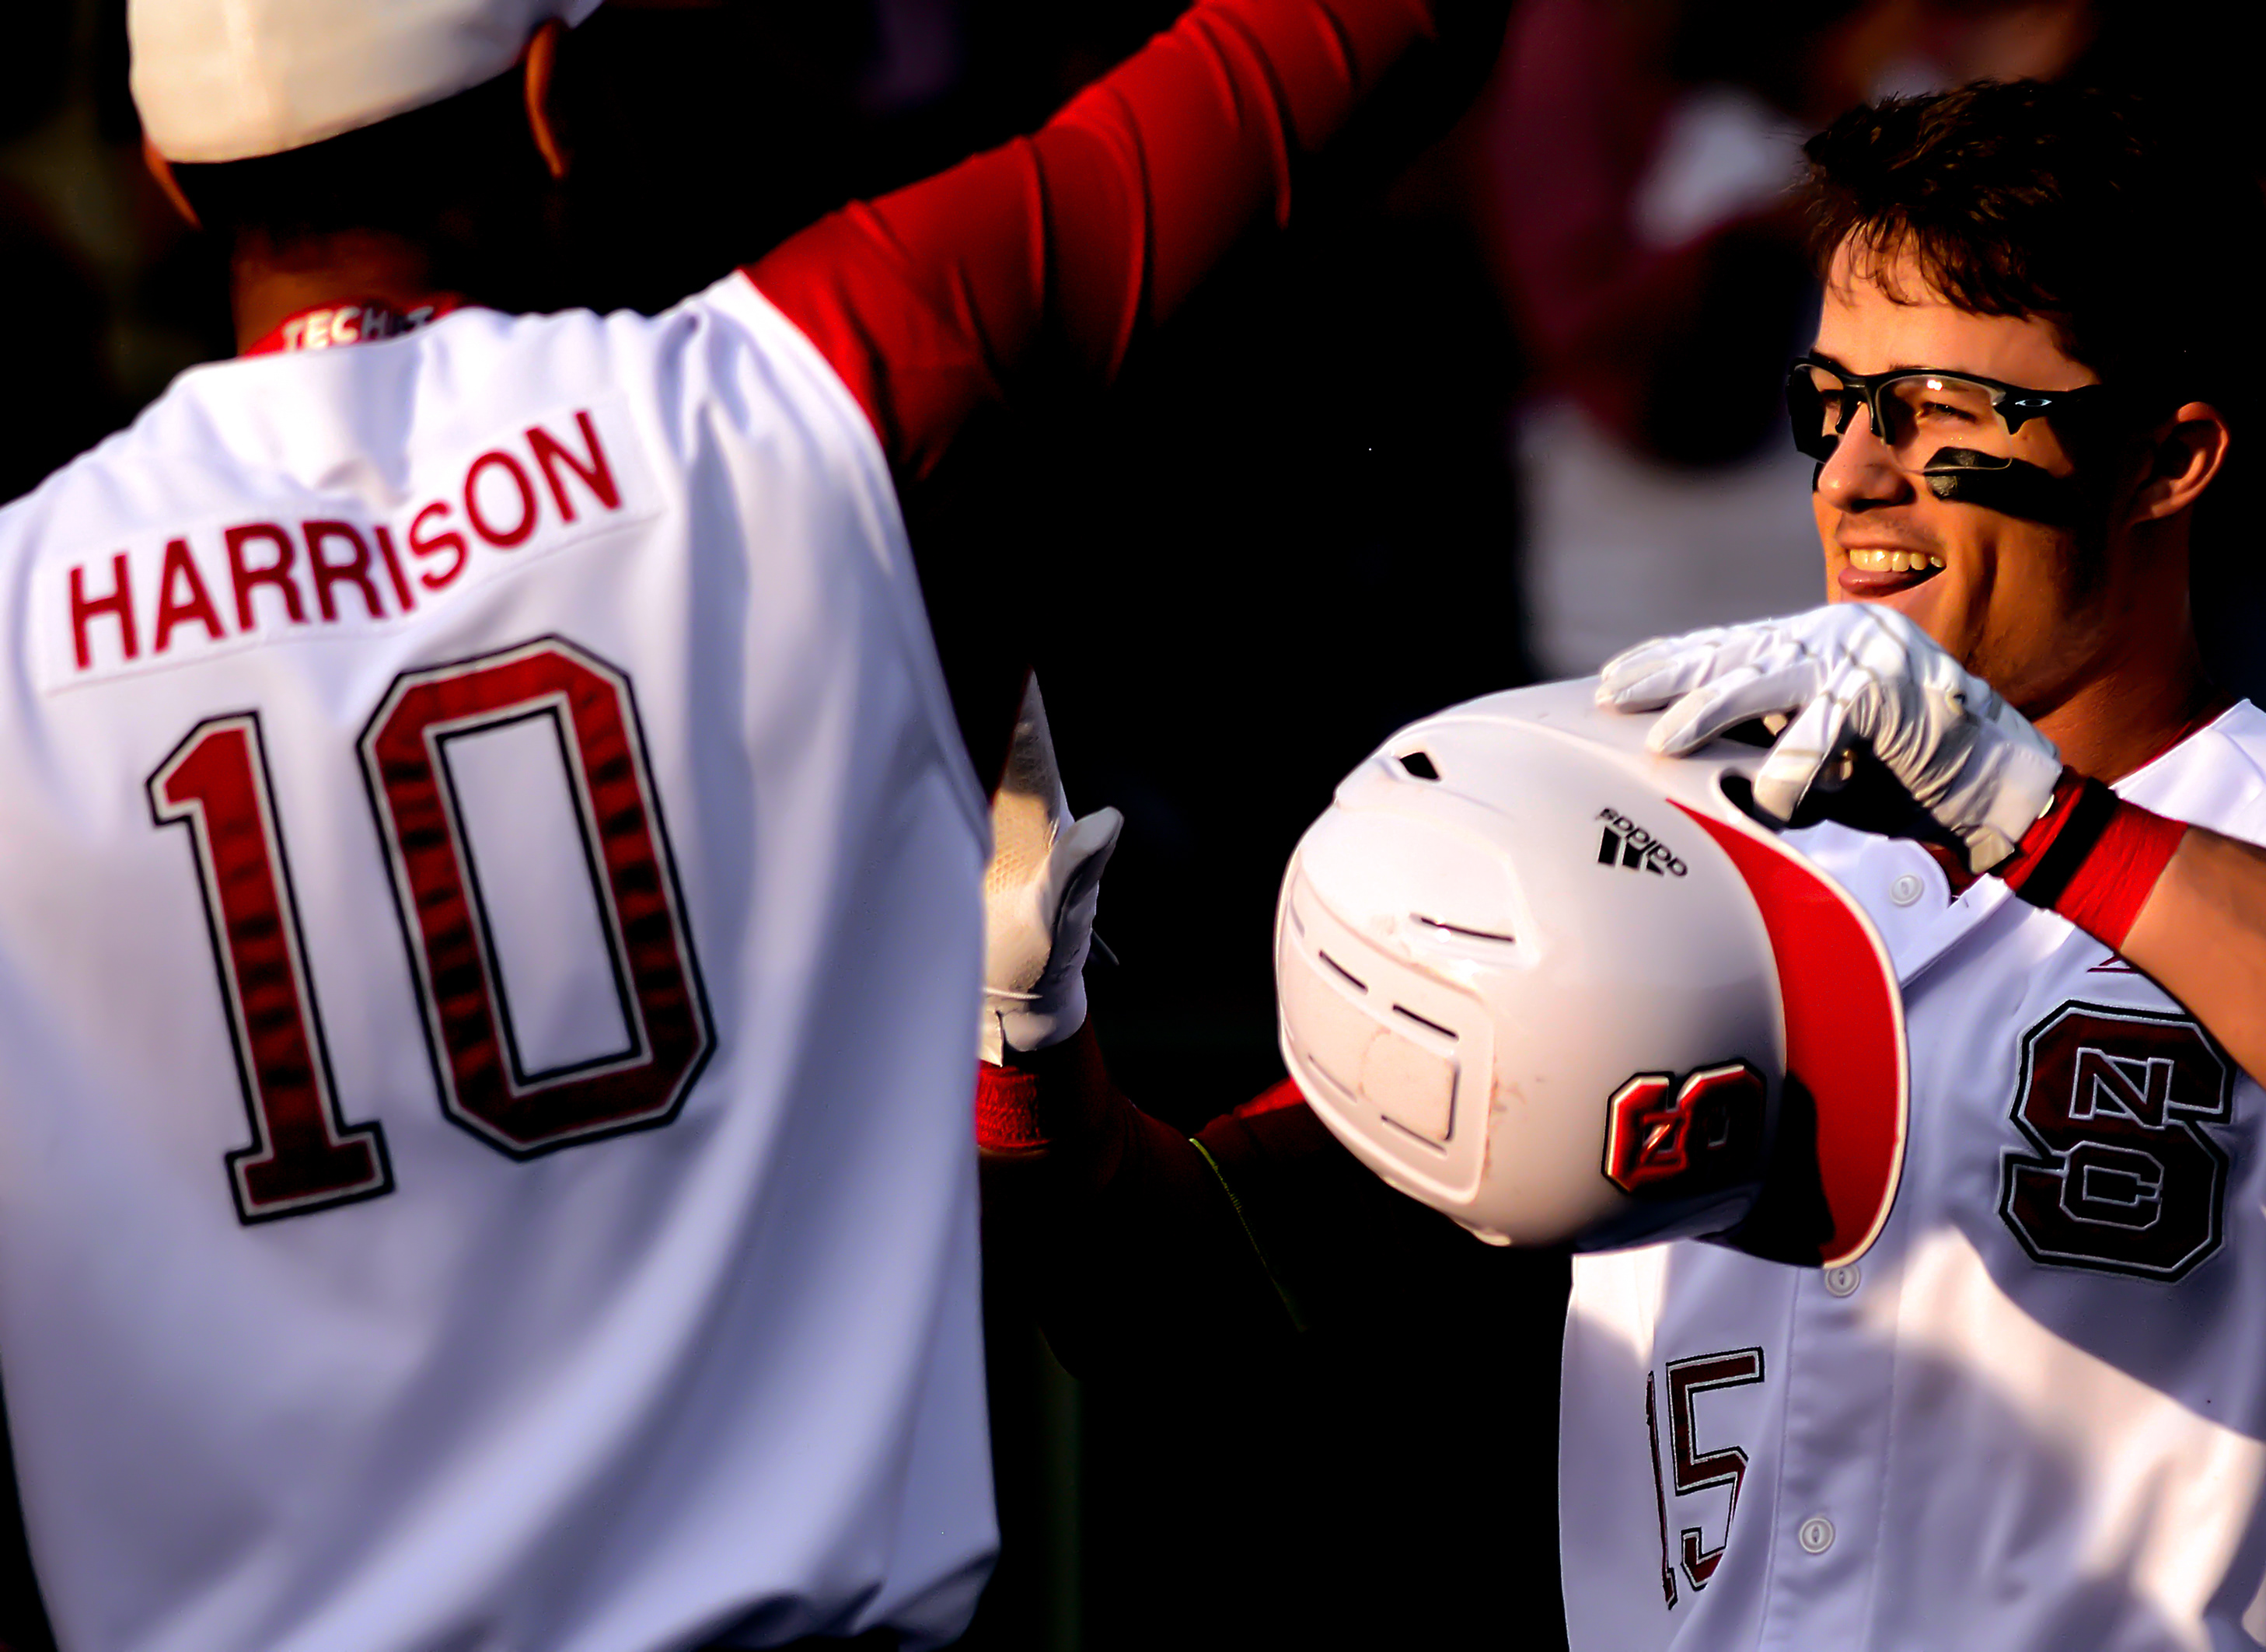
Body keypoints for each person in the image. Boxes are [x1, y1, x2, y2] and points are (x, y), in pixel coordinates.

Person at [981, 76, 2266, 1649]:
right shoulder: (1658, 799)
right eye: (1835, 400)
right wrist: (1024, 1048)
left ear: (2169, 457)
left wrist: (2031, 813)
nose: (1853, 475)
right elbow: (1187, 1302)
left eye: (1939, 414)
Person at [0, 0, 1498, 1647]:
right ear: (557, 101)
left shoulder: (12, 627)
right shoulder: (797, 392)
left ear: (161, 178)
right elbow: (1371, 36)